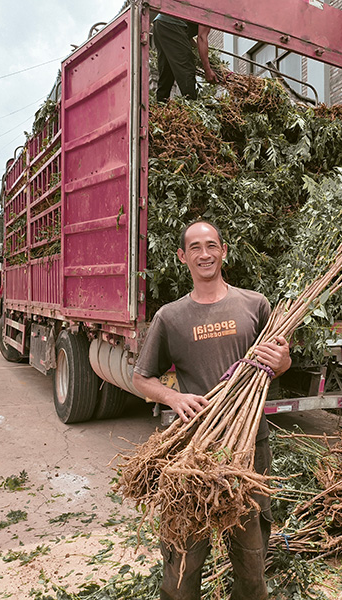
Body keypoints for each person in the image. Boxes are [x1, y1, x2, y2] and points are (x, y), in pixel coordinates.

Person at [132, 220, 291, 600]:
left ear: (223, 251)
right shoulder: (170, 317)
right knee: (183, 562)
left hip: (250, 446)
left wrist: (283, 361)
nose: (205, 254)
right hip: (195, 448)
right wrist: (174, 398)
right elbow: (141, 378)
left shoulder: (255, 305)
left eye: (212, 246)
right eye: (196, 248)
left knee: (251, 560)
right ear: (182, 257)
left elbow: (279, 366)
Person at [153, 14, 218, 103]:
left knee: (167, 71)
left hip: (160, 24)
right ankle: (192, 106)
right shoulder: (211, 11)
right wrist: (207, 70)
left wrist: (200, 55)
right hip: (172, 25)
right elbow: (202, 38)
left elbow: (185, 36)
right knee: (186, 70)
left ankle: (161, 106)